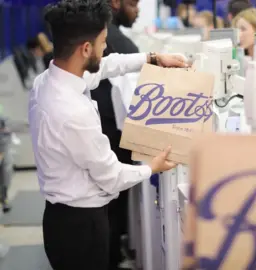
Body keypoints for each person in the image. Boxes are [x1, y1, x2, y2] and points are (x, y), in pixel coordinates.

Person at [32, 1, 185, 270]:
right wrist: (152, 167)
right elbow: (111, 176)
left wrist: (151, 58)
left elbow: (105, 67)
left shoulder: (50, 80)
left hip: (60, 218)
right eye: (103, 42)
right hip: (81, 227)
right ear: (86, 48)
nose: (106, 48)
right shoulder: (72, 113)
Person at [89, 0, 143, 269]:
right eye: (134, 4)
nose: (138, 10)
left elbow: (113, 66)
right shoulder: (118, 40)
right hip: (111, 133)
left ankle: (113, 254)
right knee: (112, 202)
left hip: (109, 130)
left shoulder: (116, 40)